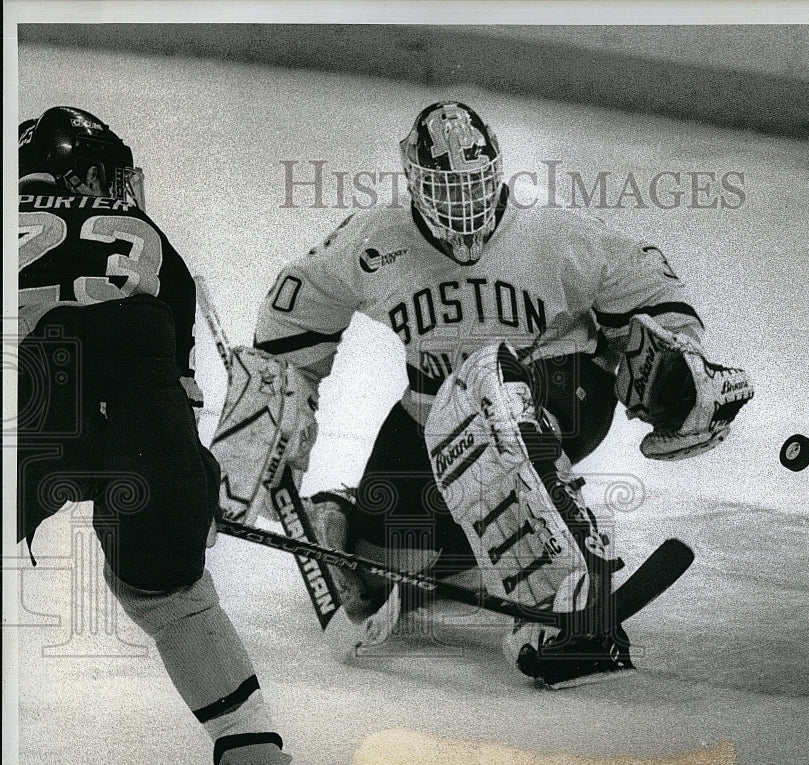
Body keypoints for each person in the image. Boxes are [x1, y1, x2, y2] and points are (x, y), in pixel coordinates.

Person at [212, 100, 753, 688]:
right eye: (445, 191)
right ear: (414, 185)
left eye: (474, 186)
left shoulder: (556, 234)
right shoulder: (373, 242)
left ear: (496, 174)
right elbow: (293, 318)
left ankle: (574, 595)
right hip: (432, 413)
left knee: (484, 394)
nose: (463, 206)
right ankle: (433, 535)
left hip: (561, 392)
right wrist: (272, 414)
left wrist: (678, 361)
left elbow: (650, 288)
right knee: (376, 567)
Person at [17, 106, 294, 765]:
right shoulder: (151, 240)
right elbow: (175, 392)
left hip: (24, 386)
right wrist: (192, 483)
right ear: (82, 177)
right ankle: (254, 752)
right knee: (171, 590)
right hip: (139, 379)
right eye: (108, 177)